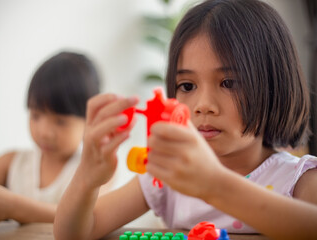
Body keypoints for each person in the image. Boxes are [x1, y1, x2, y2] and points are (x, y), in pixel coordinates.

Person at [53, 1, 317, 239]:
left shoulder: (297, 180)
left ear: (275, 83)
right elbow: (75, 233)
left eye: (229, 82)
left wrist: (215, 185)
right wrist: (88, 178)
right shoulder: (166, 178)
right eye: (187, 86)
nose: (203, 106)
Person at [0, 51, 107, 230]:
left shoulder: (97, 169)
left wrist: (12, 207)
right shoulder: (10, 163)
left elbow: (91, 216)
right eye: (36, 115)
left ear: (90, 120)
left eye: (61, 121)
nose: (44, 132)